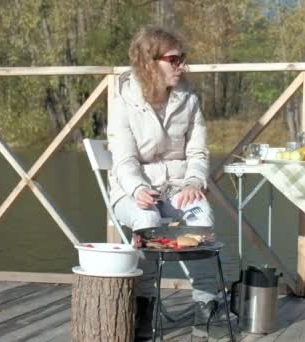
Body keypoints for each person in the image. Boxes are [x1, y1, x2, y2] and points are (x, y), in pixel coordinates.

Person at [107, 27, 217, 341]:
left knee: (201, 215)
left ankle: (206, 304)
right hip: (133, 191)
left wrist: (195, 181)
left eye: (183, 58)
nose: (182, 65)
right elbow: (124, 159)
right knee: (148, 221)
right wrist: (138, 189)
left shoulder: (189, 99)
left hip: (179, 188)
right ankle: (143, 304)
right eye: (174, 59)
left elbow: (198, 151)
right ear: (149, 62)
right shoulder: (123, 101)